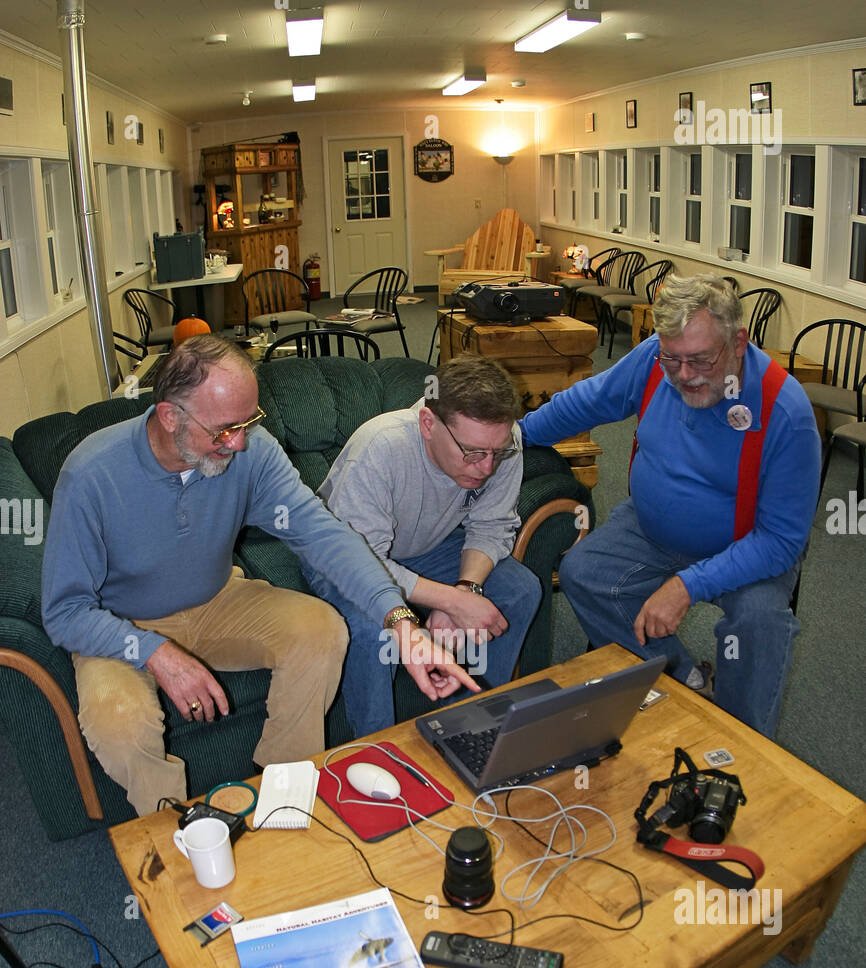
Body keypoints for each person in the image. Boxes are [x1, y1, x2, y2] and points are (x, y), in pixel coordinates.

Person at [41, 335, 480, 815]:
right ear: (170, 417)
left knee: (321, 630)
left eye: (248, 422)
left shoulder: (251, 452)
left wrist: (399, 619)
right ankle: (176, 827)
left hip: (216, 599)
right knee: (119, 722)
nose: (239, 442)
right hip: (121, 625)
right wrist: (155, 653)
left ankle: (282, 799)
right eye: (224, 430)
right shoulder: (92, 474)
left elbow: (321, 534)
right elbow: (65, 612)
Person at [521, 275, 821, 737]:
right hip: (649, 529)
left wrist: (686, 585)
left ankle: (743, 738)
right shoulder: (653, 362)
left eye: (701, 359)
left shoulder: (786, 412)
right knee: (584, 572)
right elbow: (586, 402)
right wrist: (512, 437)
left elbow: (781, 541)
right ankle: (686, 682)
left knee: (759, 625)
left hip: (746, 548)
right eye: (672, 359)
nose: (684, 375)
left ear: (738, 342)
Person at [301, 354, 543, 736]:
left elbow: (491, 525)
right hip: (343, 558)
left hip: (425, 546)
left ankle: (472, 726)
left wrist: (466, 589)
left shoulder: (501, 441)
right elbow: (361, 561)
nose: (486, 467)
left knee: (519, 590)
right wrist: (448, 601)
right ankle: (376, 745)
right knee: (372, 629)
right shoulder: (380, 447)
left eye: (496, 453)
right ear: (428, 424)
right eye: (473, 453)